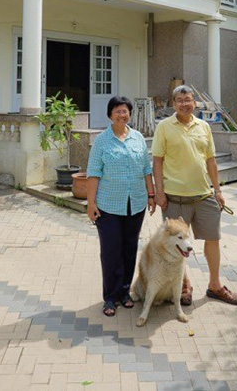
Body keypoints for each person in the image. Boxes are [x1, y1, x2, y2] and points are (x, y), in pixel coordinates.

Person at [152, 85, 237, 307]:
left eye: (188, 99)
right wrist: (159, 193)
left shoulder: (204, 126)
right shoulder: (164, 127)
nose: (185, 103)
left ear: (195, 103)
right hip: (174, 198)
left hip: (203, 196)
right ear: (174, 104)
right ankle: (184, 285)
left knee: (213, 239)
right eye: (180, 100)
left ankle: (214, 285)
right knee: (176, 245)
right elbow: (157, 161)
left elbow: (211, 160)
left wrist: (218, 190)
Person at [86, 96, 156, 317]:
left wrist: (151, 194)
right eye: (117, 111)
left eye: (125, 111)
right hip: (108, 206)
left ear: (129, 114)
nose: (121, 114)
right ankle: (110, 297)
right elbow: (93, 173)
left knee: (129, 249)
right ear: (110, 114)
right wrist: (91, 203)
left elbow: (146, 169)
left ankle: (125, 292)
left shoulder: (137, 138)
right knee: (110, 251)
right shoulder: (101, 141)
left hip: (135, 204)